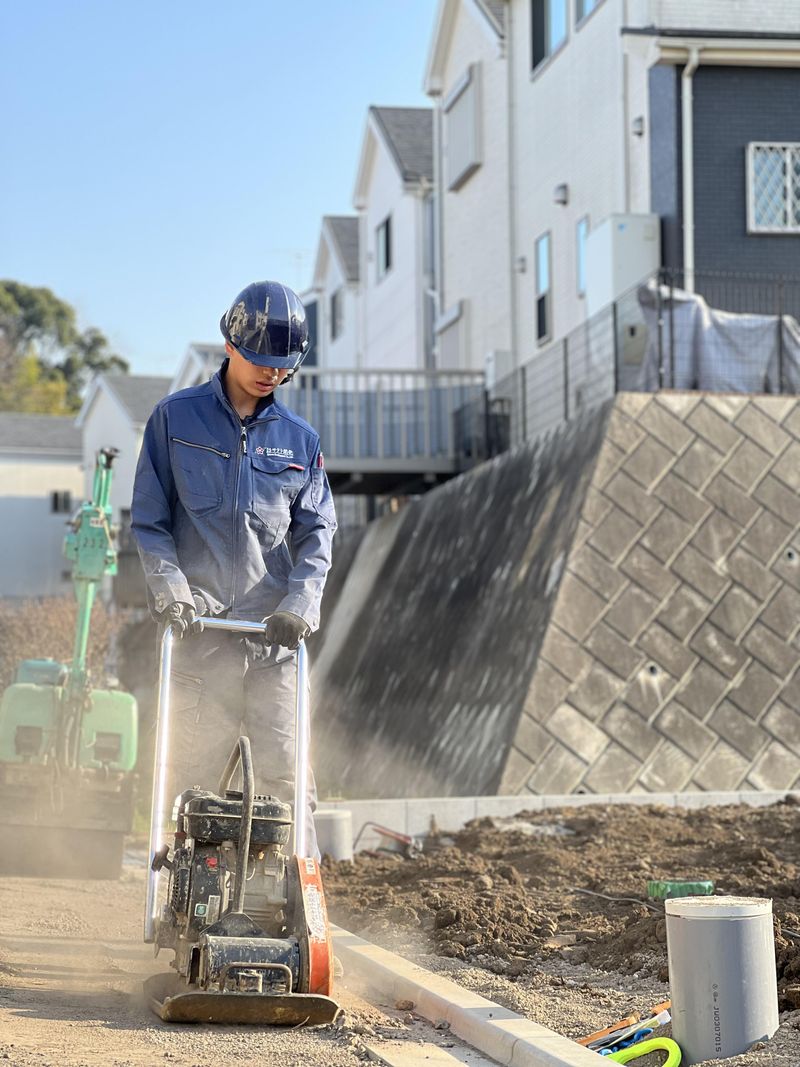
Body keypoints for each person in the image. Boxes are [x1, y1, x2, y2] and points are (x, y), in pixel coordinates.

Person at [131, 280, 336, 857]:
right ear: (230, 344)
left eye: (283, 365)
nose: (272, 373)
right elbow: (150, 521)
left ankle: (297, 896)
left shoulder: (299, 442)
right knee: (192, 789)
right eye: (261, 360)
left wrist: (299, 605)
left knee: (289, 784)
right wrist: (172, 592)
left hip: (273, 644)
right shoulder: (175, 420)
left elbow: (318, 535)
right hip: (200, 638)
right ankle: (189, 894)